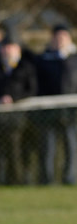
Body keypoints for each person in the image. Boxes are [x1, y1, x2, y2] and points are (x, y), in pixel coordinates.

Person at [0, 34, 38, 186]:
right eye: (4, 47)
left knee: (14, 152)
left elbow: (32, 89)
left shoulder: (25, 66)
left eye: (10, 47)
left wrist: (13, 98)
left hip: (17, 120)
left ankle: (16, 182)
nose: (7, 50)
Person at [35, 23, 77, 185]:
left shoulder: (74, 58)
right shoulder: (44, 59)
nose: (60, 40)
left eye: (63, 37)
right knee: (48, 148)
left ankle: (70, 179)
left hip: (71, 111)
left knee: (71, 147)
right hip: (48, 111)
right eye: (57, 37)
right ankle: (47, 180)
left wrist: (65, 57)